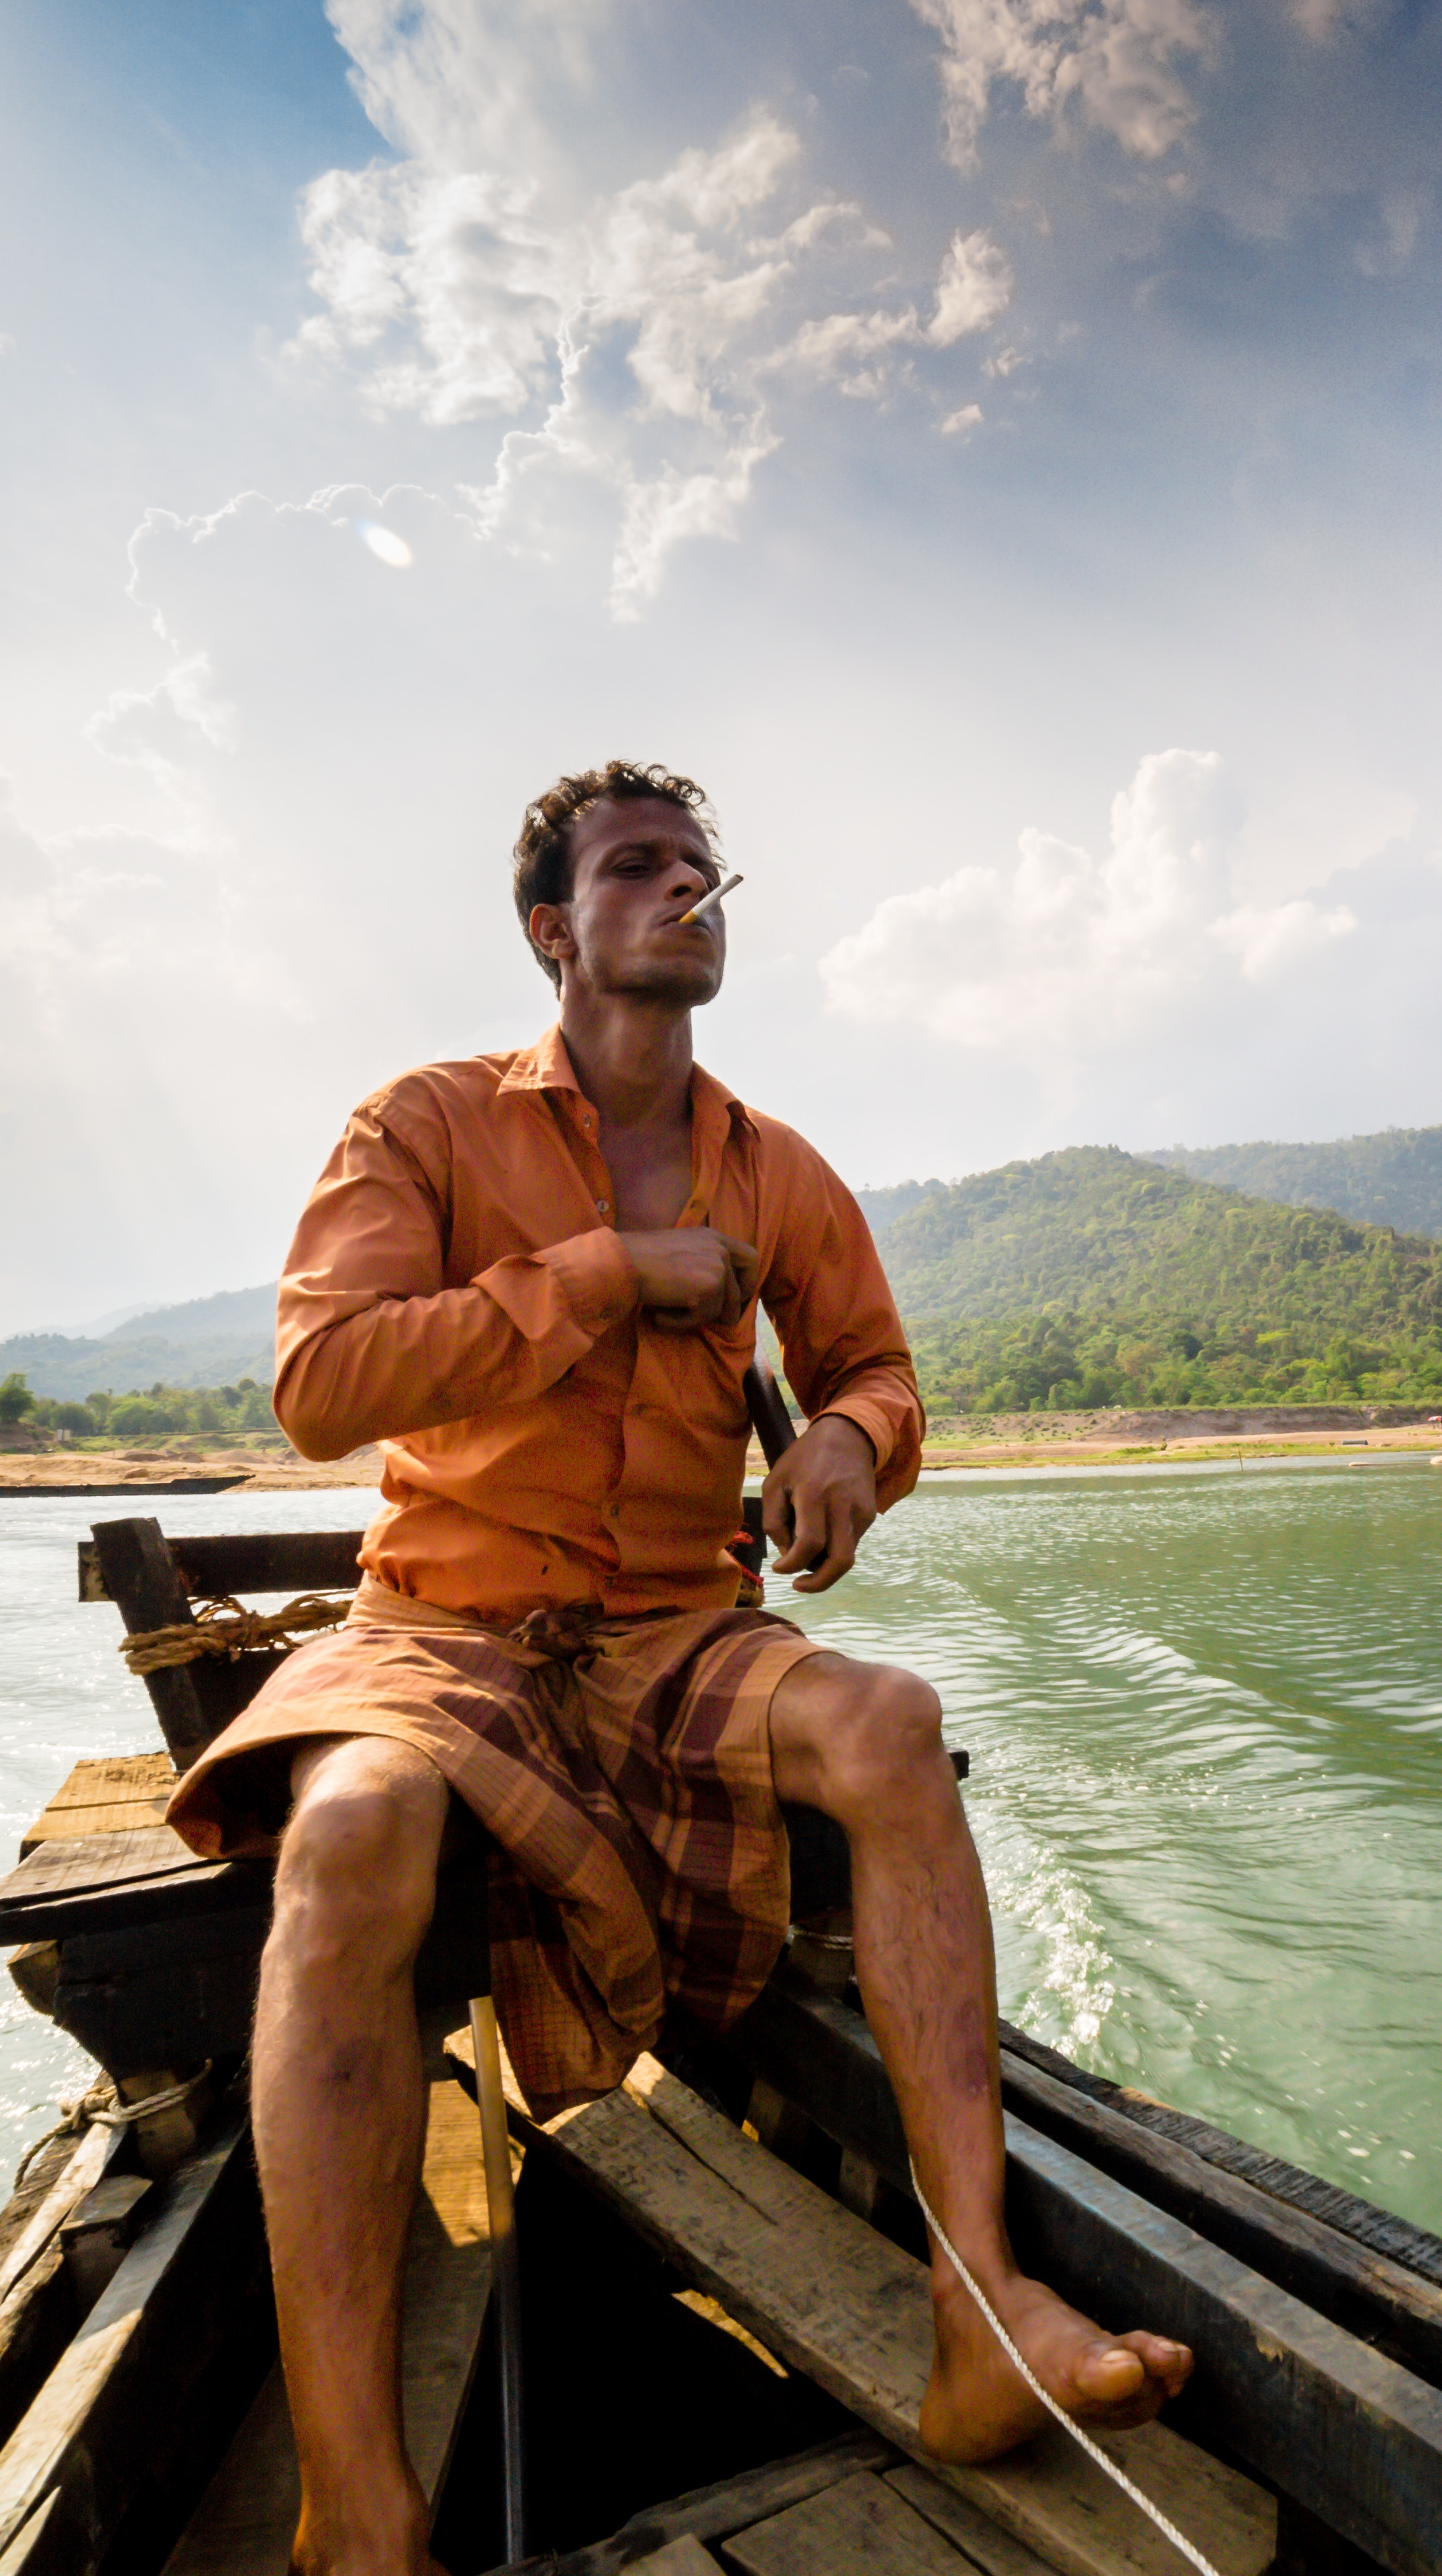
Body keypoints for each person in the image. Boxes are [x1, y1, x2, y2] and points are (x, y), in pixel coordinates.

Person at [164, 763, 1190, 2576]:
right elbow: (324, 1390)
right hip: (448, 1628)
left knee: (892, 1724)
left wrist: (852, 1451)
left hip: (671, 1636)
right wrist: (608, 1272)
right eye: (640, 870)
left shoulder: (777, 1170)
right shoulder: (421, 1122)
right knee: (350, 1840)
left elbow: (874, 1369)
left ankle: (980, 2318)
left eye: (707, 872)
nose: (688, 892)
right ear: (554, 929)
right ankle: (357, 2498)